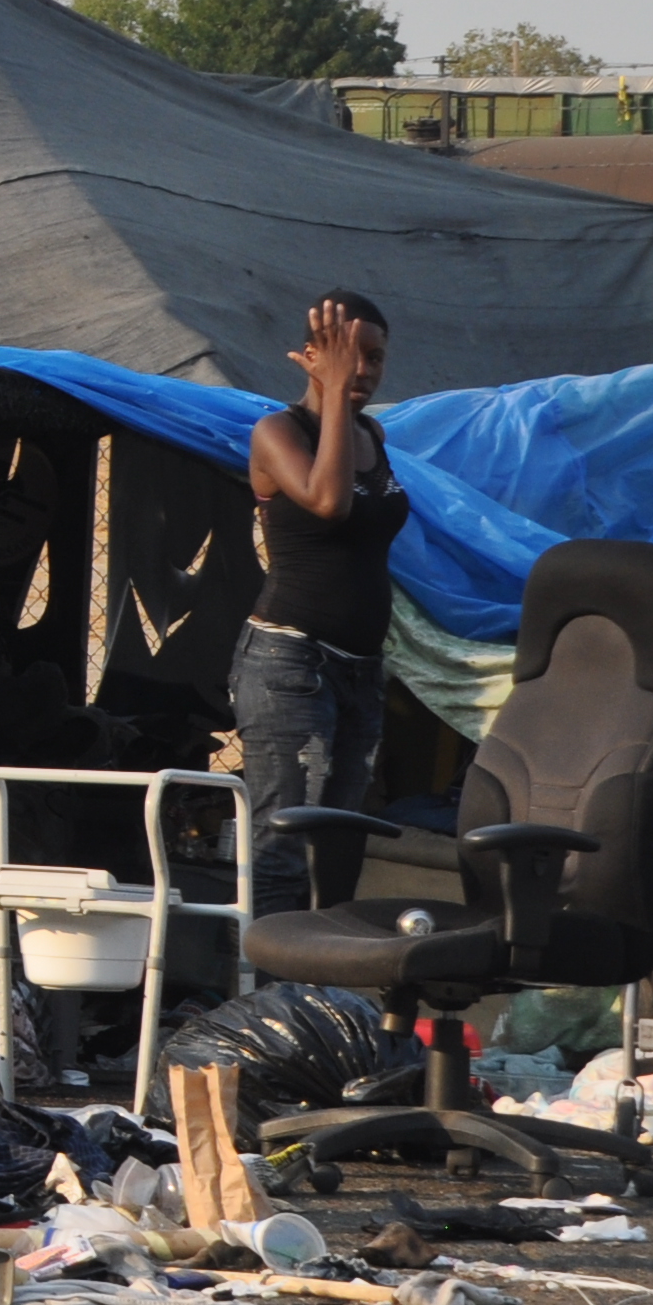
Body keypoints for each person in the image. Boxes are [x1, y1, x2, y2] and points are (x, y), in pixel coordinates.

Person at [237, 289, 408, 921]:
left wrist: (342, 401)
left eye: (374, 358)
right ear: (310, 357)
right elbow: (329, 501)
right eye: (345, 355)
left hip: (361, 670)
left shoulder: (370, 433)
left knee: (339, 847)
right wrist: (333, 394)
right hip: (292, 665)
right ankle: (264, 982)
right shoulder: (278, 432)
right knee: (284, 846)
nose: (361, 369)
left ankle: (326, 975)